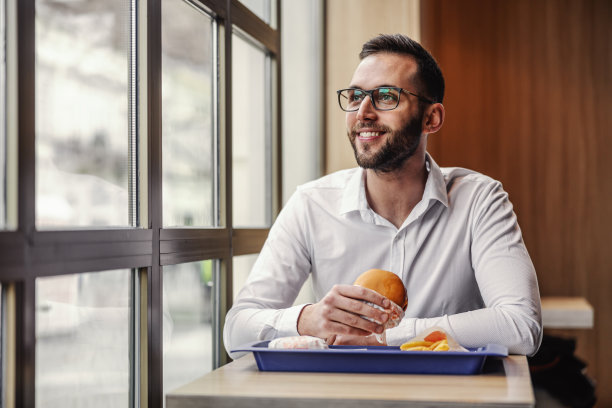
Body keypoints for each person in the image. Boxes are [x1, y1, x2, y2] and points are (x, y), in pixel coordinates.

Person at [224, 33, 542, 357]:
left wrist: (387, 336)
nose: (363, 112)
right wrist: (308, 319)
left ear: (431, 118)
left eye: (386, 96)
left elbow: (522, 326)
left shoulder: (480, 200)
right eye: (355, 96)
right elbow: (237, 331)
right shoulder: (311, 204)